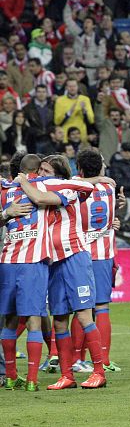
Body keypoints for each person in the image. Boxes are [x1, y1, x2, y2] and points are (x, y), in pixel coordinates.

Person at [15, 154, 108, 390]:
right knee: (58, 322)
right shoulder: (46, 185)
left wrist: (23, 180)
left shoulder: (68, 190)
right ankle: (67, 375)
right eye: (40, 171)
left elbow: (39, 197)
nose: (42, 174)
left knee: (84, 316)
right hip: (53, 261)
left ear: (58, 173)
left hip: (74, 257)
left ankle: (99, 372)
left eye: (46, 171)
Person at [76, 148, 122, 372]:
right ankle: (104, 358)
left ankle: (78, 358)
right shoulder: (110, 188)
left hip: (79, 253)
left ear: (80, 168)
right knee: (102, 307)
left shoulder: (75, 186)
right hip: (103, 254)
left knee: (80, 308)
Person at [0, 157, 41, 391]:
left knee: (10, 320)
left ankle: (11, 376)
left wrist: (6, 213)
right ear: (37, 170)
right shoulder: (44, 186)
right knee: (34, 320)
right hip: (32, 262)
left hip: (7, 260)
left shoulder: (5, 191)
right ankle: (33, 381)